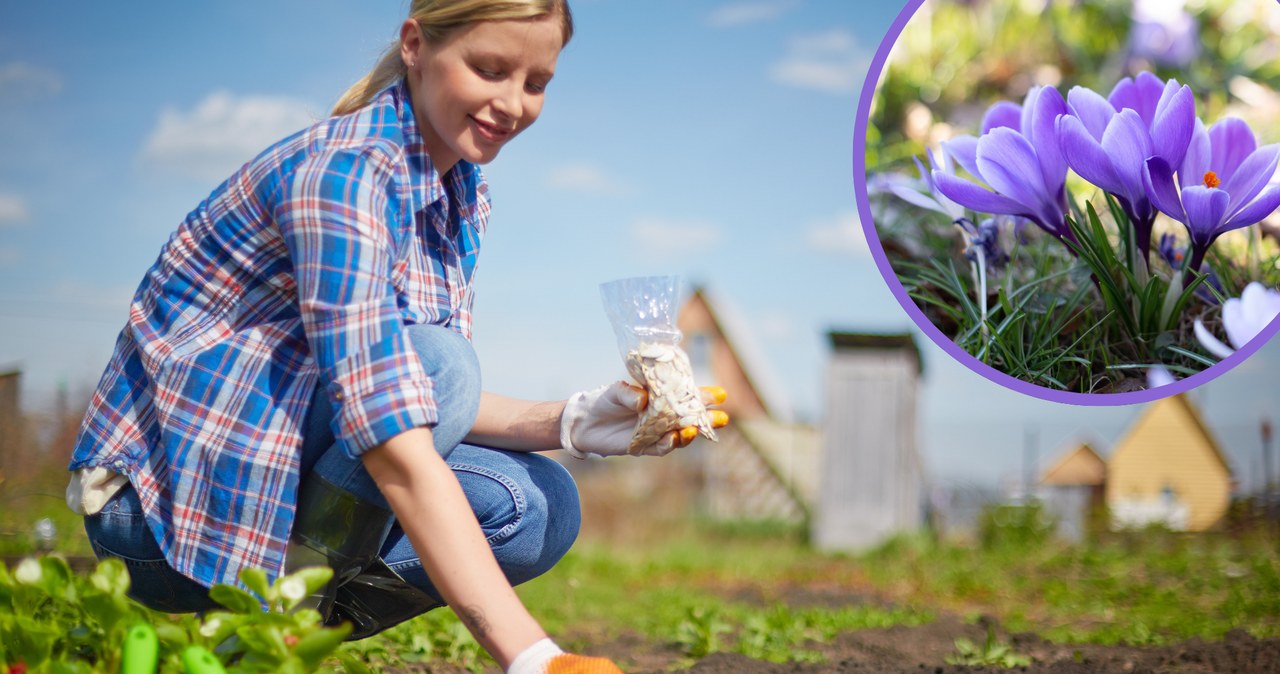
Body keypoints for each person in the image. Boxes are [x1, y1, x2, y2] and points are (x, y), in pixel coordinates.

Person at [64, 2, 728, 672]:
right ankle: (276, 626)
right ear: (416, 45)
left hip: (277, 483)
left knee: (540, 506)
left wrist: (578, 421)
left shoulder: (462, 196)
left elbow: (420, 400)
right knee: (445, 363)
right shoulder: (343, 177)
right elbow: (400, 425)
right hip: (164, 514)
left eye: (536, 83)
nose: (513, 103)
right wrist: (533, 657)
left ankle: (263, 631)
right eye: (489, 69)